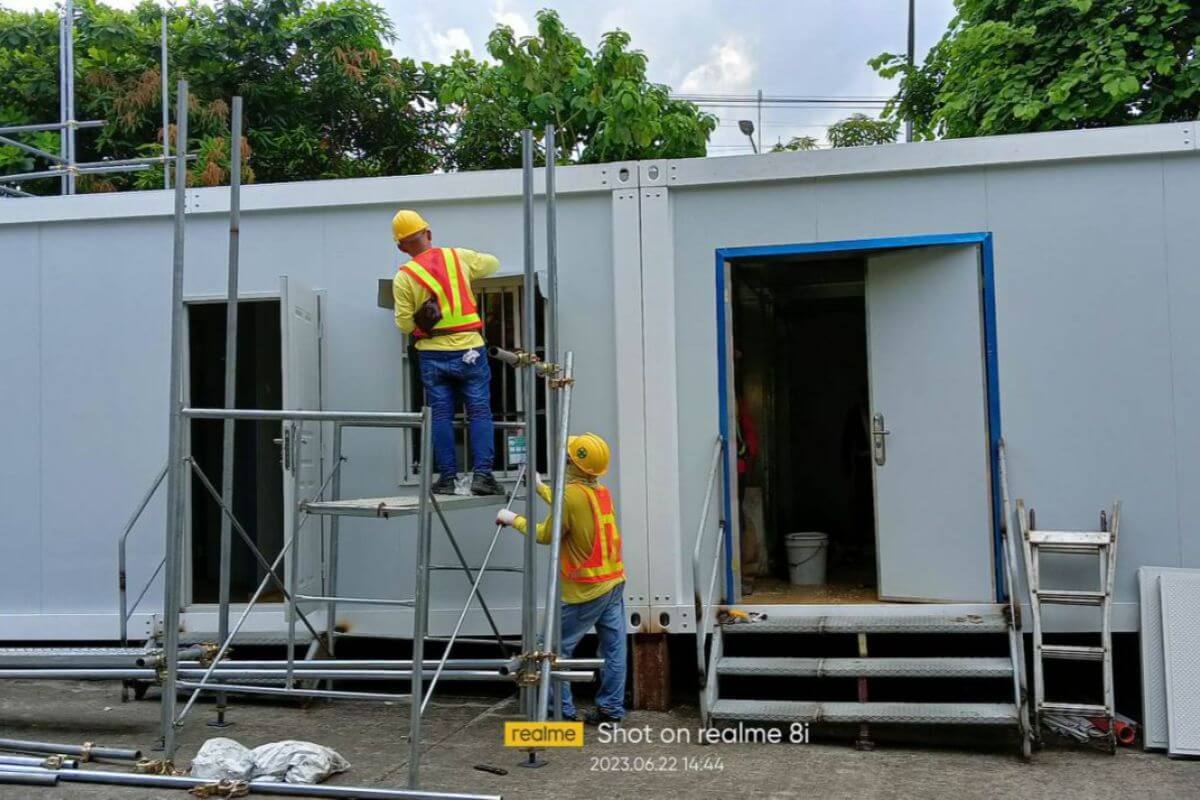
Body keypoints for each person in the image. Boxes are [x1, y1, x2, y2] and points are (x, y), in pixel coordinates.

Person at [495, 433, 626, 725]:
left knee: (549, 650)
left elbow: (545, 534)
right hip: (614, 582)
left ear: (574, 464)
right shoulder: (600, 492)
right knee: (614, 650)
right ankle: (611, 711)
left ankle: (561, 713)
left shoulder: (571, 497)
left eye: (567, 457)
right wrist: (541, 487)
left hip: (584, 590)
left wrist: (511, 518)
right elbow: (569, 503)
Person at [391, 209, 504, 496]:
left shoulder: (403, 278)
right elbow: (493, 263)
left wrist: (426, 315)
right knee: (479, 411)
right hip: (471, 349)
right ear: (428, 234)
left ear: (401, 247)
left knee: (441, 414)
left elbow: (404, 323)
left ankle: (447, 479)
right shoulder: (459, 258)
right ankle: (482, 476)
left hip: (432, 353)